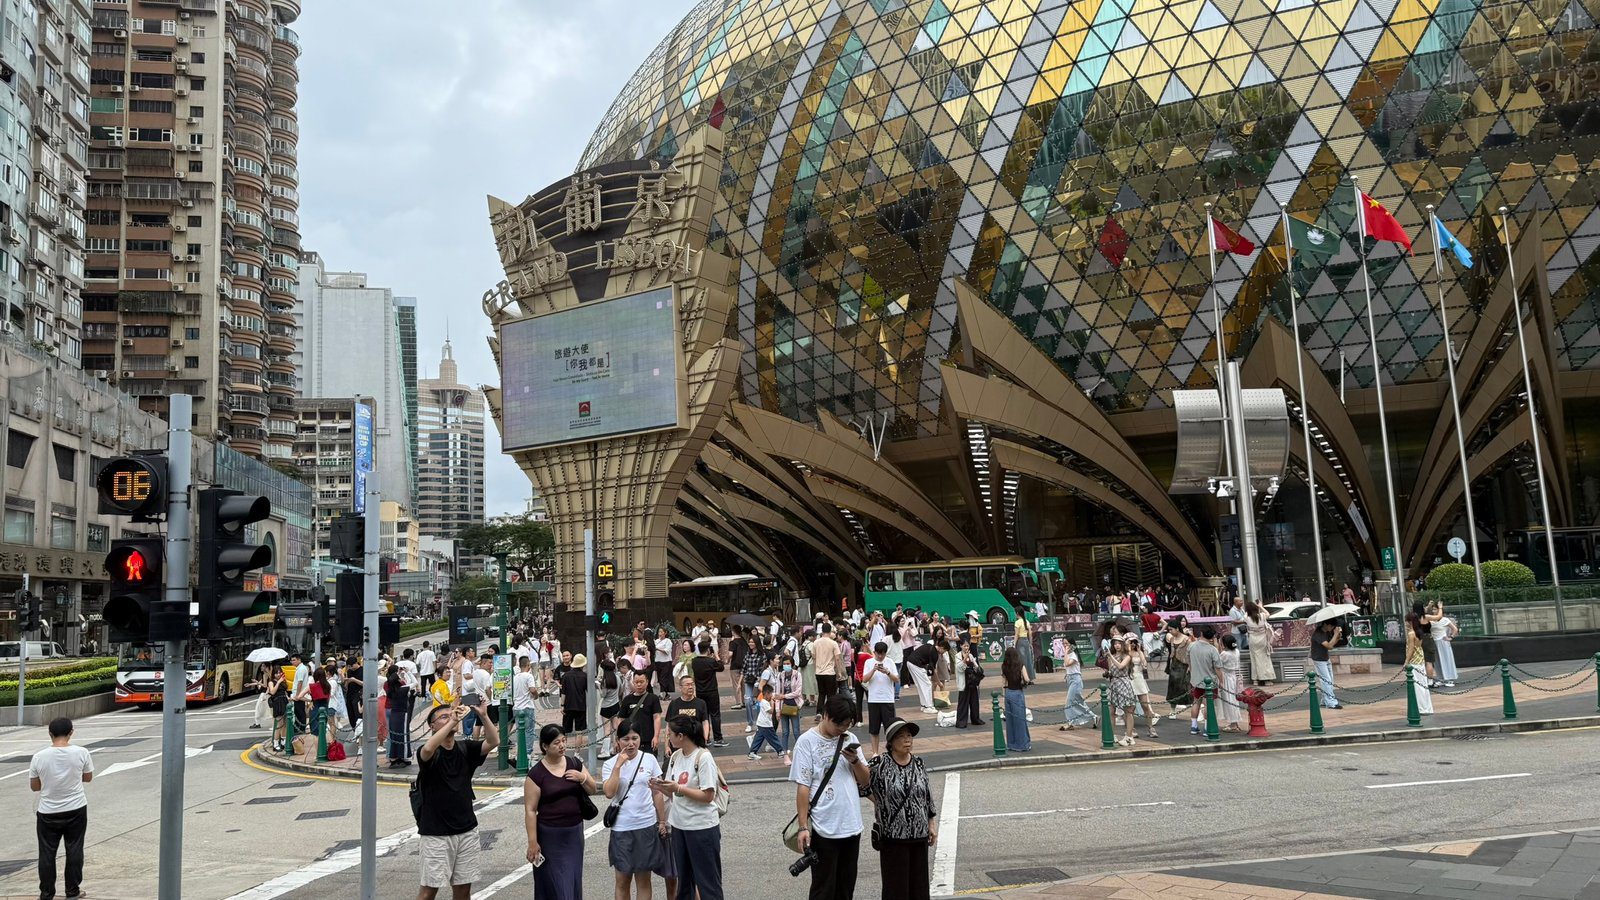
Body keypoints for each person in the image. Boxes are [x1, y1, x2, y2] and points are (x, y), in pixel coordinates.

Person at [790, 695, 870, 900]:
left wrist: (855, 762)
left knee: (846, 888)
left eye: (847, 725)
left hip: (851, 826)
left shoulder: (849, 739)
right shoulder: (806, 742)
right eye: (839, 724)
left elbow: (865, 781)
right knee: (823, 889)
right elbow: (803, 787)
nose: (842, 729)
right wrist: (803, 827)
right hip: (824, 827)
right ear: (825, 715)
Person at [416, 700, 497, 899]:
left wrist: (484, 716)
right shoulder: (428, 752)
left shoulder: (464, 748)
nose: (450, 718)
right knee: (429, 890)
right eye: (442, 717)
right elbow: (427, 750)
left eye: (450, 714)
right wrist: (452, 721)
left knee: (463, 889)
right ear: (432, 726)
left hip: (466, 829)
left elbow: (493, 742)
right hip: (436, 832)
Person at [651, 715, 725, 900]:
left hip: (702, 827)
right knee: (684, 884)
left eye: (670, 734)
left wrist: (678, 788)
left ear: (681, 736)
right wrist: (660, 787)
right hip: (679, 826)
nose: (668, 738)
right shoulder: (676, 756)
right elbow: (674, 793)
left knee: (708, 884)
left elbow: (708, 795)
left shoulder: (703, 756)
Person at [524, 724, 596, 899]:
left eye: (564, 740)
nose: (562, 745)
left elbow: (592, 789)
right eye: (556, 743)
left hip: (574, 833)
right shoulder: (536, 774)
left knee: (572, 877)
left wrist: (582, 778)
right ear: (545, 746)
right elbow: (530, 810)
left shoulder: (574, 763)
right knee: (555, 881)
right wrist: (533, 842)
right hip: (550, 836)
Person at [867, 719, 936, 900]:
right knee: (896, 889)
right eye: (901, 736)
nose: (907, 740)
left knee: (919, 888)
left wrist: (931, 823)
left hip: (919, 835)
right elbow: (862, 787)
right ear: (891, 742)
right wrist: (881, 801)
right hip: (893, 837)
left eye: (909, 736)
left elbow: (926, 795)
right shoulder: (880, 764)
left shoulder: (919, 763)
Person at [603, 721, 668, 900]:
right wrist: (618, 766)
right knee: (622, 880)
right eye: (626, 739)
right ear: (618, 741)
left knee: (644, 879)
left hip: (646, 825)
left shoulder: (649, 759)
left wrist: (661, 821)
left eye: (635, 738)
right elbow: (609, 792)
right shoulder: (610, 764)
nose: (630, 743)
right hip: (621, 827)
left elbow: (657, 793)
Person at [31, 717, 92, 900]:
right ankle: (72, 891)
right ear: (71, 732)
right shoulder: (82, 753)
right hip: (76, 809)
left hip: (47, 811)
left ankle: (47, 893)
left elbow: (35, 786)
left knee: (47, 853)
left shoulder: (39, 757)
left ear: (50, 734)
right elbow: (88, 778)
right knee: (74, 849)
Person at [861, 642, 899, 756]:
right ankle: (875, 753)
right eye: (878, 654)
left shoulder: (890, 662)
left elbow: (896, 679)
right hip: (873, 699)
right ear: (874, 653)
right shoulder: (869, 662)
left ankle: (891, 751)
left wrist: (887, 672)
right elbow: (864, 679)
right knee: (874, 729)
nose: (881, 657)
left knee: (890, 729)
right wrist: (873, 670)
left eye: (883, 654)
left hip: (887, 699)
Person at [616, 671, 665, 757]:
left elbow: (657, 718)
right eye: (636, 682)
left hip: (648, 739)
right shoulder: (627, 699)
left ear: (647, 682)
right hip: (631, 741)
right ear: (633, 682)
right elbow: (621, 719)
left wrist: (656, 737)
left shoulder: (653, 698)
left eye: (641, 682)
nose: (639, 684)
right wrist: (619, 737)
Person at [688, 642, 727, 747]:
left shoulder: (694, 661)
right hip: (712, 691)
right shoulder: (711, 661)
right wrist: (717, 655)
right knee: (715, 715)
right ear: (709, 650)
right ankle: (718, 739)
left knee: (703, 716)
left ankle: (705, 738)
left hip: (700, 691)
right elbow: (721, 667)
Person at [1187, 626, 1222, 735]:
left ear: (1201, 633)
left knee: (1196, 702)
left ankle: (1194, 726)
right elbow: (1217, 668)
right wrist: (1222, 681)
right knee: (1208, 705)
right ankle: (1207, 727)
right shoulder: (1213, 650)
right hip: (1210, 681)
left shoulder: (1191, 646)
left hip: (1195, 680)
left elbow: (1189, 662)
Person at [1105, 636, 1139, 746]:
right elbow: (1111, 670)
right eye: (1115, 643)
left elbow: (1120, 666)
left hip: (1124, 683)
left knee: (1128, 711)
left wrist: (1110, 656)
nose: (1117, 645)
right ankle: (1112, 734)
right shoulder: (1112, 656)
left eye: (1119, 643)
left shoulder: (1127, 656)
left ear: (1123, 644)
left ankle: (1129, 736)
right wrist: (1107, 673)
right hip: (1114, 683)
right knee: (1111, 711)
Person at [773, 653, 804, 764]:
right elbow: (777, 693)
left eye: (788, 664)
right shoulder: (780, 676)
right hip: (783, 706)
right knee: (785, 732)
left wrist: (784, 696)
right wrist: (777, 710)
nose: (786, 666)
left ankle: (800, 752)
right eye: (785, 664)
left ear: (792, 664)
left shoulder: (797, 675)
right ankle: (785, 754)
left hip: (794, 705)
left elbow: (798, 692)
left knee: (796, 731)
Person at [1057, 640, 1095, 731]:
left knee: (1069, 702)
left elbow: (1067, 664)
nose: (1065, 645)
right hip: (1070, 679)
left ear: (1072, 645)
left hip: (1076, 681)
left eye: (1067, 644)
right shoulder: (1069, 655)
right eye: (1063, 644)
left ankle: (1070, 723)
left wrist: (1066, 652)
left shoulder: (1073, 655)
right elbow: (1068, 667)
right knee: (1079, 702)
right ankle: (1093, 716)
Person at [666, 675, 711, 747]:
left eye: (692, 684)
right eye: (687, 685)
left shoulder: (701, 703)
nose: (690, 687)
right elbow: (669, 725)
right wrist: (667, 745)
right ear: (680, 688)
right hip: (679, 743)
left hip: (696, 742)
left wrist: (705, 738)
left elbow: (705, 722)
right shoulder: (674, 704)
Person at [1001, 647, 1031, 752]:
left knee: (1010, 721)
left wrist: (1004, 696)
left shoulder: (1004, 666)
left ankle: (1011, 744)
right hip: (1017, 693)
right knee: (1020, 720)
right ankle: (1023, 744)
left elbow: (1004, 683)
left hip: (1008, 693)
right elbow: (1027, 679)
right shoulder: (1020, 665)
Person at [1404, 612, 1434, 715]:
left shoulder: (1411, 634)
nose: (1406, 623)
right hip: (1420, 660)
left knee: (1417, 686)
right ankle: (1427, 707)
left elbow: (1411, 649)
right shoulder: (1419, 632)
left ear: (1410, 622)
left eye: (1407, 621)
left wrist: (1406, 661)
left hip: (1414, 662)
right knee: (1423, 685)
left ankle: (1421, 708)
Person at [1311, 620, 1344, 709]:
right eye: (1331, 626)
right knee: (1326, 680)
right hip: (1319, 660)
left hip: (1325, 658)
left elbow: (1331, 646)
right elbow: (1329, 646)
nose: (1332, 628)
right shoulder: (1318, 634)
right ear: (1325, 624)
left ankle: (1324, 700)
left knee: (1330, 680)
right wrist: (1335, 634)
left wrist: (1337, 636)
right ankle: (1330, 702)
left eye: (1333, 627)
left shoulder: (1327, 632)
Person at [559, 654, 589, 747]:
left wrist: (562, 705)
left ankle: (563, 753)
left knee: (566, 731)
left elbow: (563, 692)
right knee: (579, 731)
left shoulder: (566, 676)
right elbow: (588, 691)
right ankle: (577, 753)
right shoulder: (585, 676)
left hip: (568, 705)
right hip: (581, 706)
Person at [385, 666, 413, 767]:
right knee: (403, 736)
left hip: (392, 712)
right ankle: (403, 756)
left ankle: (393, 756)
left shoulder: (388, 686)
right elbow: (414, 683)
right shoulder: (402, 689)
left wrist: (399, 676)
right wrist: (407, 672)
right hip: (402, 713)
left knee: (393, 735)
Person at [748, 684, 784, 760]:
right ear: (767, 694)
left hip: (762, 723)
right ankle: (780, 750)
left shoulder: (765, 701)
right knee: (773, 738)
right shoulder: (764, 702)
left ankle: (752, 752)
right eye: (770, 694)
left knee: (758, 738)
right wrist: (773, 703)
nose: (771, 695)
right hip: (766, 724)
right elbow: (771, 711)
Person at [1163, 621, 1192, 714]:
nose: (1170, 631)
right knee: (1172, 688)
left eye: (1171, 629)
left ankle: (1197, 710)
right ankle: (1172, 710)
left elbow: (1190, 654)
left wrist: (1190, 666)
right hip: (1174, 666)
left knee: (1187, 688)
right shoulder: (1172, 639)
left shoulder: (1187, 639)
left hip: (1184, 666)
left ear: (1177, 629)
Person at [1244, 603, 1276, 684]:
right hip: (1262, 639)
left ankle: (1255, 679)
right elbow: (1268, 614)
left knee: (1254, 658)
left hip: (1252, 640)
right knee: (1264, 659)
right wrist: (1261, 606)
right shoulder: (1262, 616)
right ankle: (1266, 679)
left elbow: (1245, 614)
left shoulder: (1247, 618)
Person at [954, 639, 984, 728]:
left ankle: (976, 719)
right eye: (964, 646)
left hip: (972, 681)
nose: (966, 647)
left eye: (967, 646)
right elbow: (959, 668)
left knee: (974, 701)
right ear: (961, 646)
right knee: (963, 702)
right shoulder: (957, 656)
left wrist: (976, 668)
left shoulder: (970, 655)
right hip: (964, 681)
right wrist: (964, 659)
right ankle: (961, 721)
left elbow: (976, 666)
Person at [513, 655, 539, 754]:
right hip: (527, 706)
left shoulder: (515, 677)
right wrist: (536, 696)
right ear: (528, 665)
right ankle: (527, 753)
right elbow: (532, 689)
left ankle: (521, 752)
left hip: (517, 707)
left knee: (520, 731)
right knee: (529, 731)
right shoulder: (529, 676)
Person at [812, 623, 841, 710]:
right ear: (830, 631)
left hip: (819, 672)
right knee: (831, 694)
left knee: (821, 693)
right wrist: (839, 672)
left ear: (822, 631)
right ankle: (830, 712)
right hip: (830, 672)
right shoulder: (833, 643)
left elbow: (813, 657)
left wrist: (815, 668)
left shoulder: (816, 642)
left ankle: (819, 712)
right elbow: (837, 658)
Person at [1218, 635, 1244, 732]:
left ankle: (1233, 724)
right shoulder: (1236, 651)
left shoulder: (1225, 654)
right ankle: (1234, 723)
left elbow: (1217, 663)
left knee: (1229, 700)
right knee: (1233, 700)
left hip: (1226, 678)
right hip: (1234, 677)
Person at [1431, 604, 1459, 687]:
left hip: (1443, 642)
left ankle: (1449, 679)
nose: (1434, 611)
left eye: (1435, 609)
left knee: (1446, 660)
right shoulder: (1431, 620)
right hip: (1434, 641)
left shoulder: (1445, 620)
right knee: (1437, 661)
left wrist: (1451, 637)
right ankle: (1440, 678)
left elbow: (1455, 629)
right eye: (1433, 609)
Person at [1013, 612, 1036, 684]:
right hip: (1026, 641)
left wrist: (1014, 644)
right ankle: (1029, 678)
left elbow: (1016, 634)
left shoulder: (1017, 622)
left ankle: (1023, 679)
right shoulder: (1027, 621)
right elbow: (1030, 633)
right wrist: (1030, 643)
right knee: (1028, 660)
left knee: (1021, 660)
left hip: (1020, 642)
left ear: (1017, 613)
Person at [653, 629, 676, 697]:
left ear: (665, 633)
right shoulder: (656, 641)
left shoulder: (668, 641)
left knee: (664, 677)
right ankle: (665, 693)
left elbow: (667, 651)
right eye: (659, 632)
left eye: (661, 632)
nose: (660, 633)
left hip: (666, 662)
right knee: (660, 678)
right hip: (658, 661)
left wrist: (657, 649)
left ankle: (662, 693)